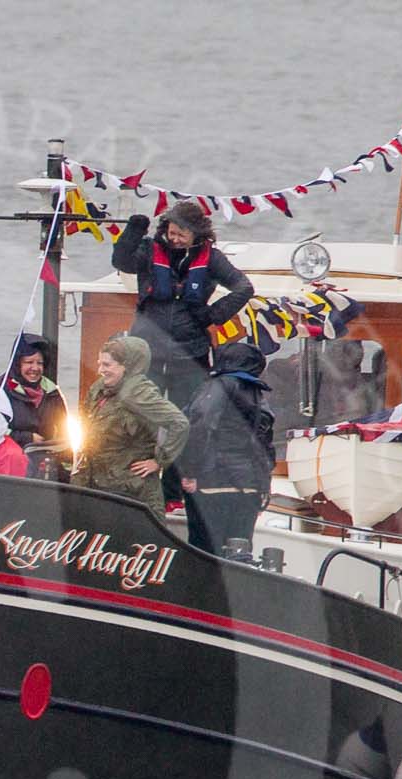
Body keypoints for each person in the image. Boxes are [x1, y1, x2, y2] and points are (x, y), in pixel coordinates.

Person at [111, 200, 256, 409]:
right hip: (148, 350)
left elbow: (244, 287)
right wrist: (134, 231)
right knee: (141, 411)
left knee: (188, 413)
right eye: (172, 233)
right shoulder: (150, 250)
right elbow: (121, 262)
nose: (175, 240)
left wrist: (212, 315)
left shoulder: (213, 258)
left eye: (182, 235)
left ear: (196, 234)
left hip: (190, 353)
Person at [176, 340, 277, 557]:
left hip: (212, 481)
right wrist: (262, 486)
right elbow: (266, 445)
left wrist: (189, 471)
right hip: (249, 486)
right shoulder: (258, 394)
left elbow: (200, 426)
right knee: (238, 555)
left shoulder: (217, 386)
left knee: (204, 555)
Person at [74, 334, 188, 514]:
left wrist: (159, 461)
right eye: (100, 363)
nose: (100, 370)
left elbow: (179, 423)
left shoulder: (138, 392)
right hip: (97, 483)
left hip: (132, 490)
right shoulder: (99, 388)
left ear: (126, 366)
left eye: (107, 365)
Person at [0, 333, 68, 479]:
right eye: (29, 362)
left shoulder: (52, 393)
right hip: (8, 469)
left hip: (46, 467)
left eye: (40, 363)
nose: (35, 368)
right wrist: (27, 437)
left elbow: (64, 431)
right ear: (17, 364)